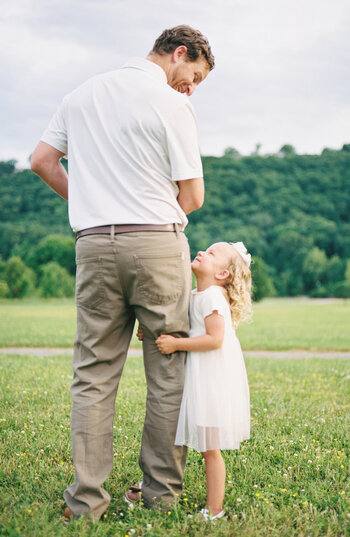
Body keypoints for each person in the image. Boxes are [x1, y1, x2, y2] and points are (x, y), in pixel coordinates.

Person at [30, 25, 215, 520]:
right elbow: (193, 197)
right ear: (179, 53)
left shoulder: (82, 94)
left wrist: (89, 203)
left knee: (93, 373)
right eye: (193, 75)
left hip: (93, 244)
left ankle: (86, 502)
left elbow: (42, 161)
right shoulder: (170, 104)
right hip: (156, 243)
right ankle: (160, 495)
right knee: (168, 369)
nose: (191, 87)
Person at [155, 241, 252, 521]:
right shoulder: (198, 293)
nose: (201, 252)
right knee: (195, 442)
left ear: (223, 274)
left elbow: (215, 339)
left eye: (211, 254)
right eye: (205, 249)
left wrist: (176, 344)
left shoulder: (212, 297)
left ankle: (215, 510)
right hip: (199, 374)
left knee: (210, 448)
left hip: (211, 379)